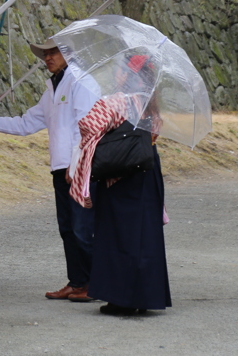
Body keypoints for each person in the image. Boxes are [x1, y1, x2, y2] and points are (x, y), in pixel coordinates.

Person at [0, 37, 100, 301]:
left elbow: (88, 128)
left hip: (80, 167)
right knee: (68, 228)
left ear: (68, 54)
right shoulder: (53, 87)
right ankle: (78, 281)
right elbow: (26, 123)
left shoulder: (81, 82)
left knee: (83, 228)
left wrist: (77, 163)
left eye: (53, 52)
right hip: (61, 167)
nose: (47, 57)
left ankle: (94, 283)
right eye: (45, 54)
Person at [67, 54, 171, 316]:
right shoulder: (150, 105)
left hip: (120, 175)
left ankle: (121, 299)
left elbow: (88, 125)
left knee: (118, 235)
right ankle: (145, 297)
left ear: (127, 75)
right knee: (145, 235)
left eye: (119, 70)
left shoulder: (117, 101)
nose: (116, 74)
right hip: (146, 173)